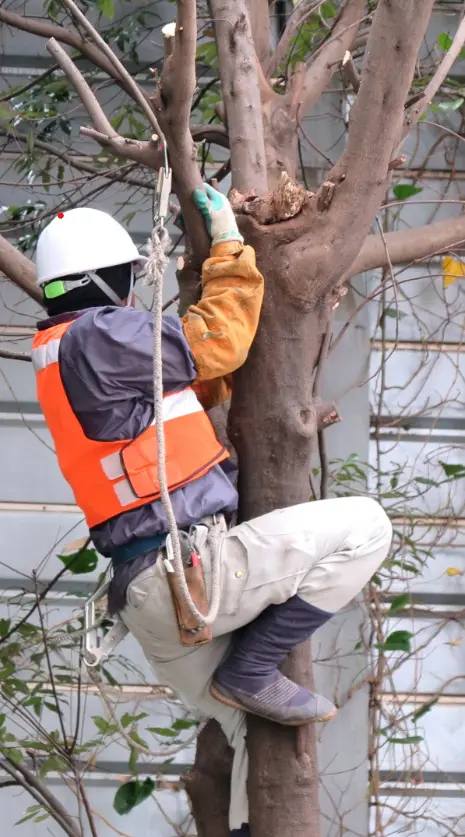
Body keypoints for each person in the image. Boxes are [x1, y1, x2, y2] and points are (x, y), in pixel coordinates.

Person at [32, 186, 392, 835]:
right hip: (191, 575)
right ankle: (251, 666)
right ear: (115, 278)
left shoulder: (63, 350)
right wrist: (229, 246)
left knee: (244, 724)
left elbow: (176, 390)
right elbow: (217, 340)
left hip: (149, 595)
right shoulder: (105, 334)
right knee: (367, 524)